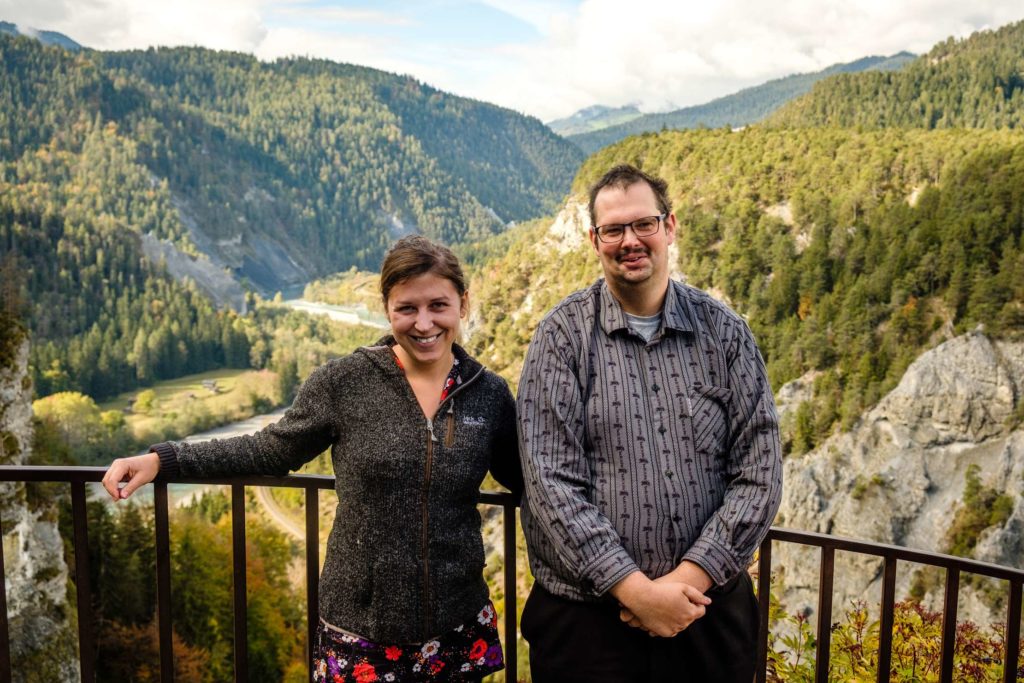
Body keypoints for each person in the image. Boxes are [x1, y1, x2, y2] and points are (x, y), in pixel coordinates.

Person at [103, 235, 522, 683]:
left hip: (456, 626)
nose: (424, 324)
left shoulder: (489, 393)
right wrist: (164, 461)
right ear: (387, 308)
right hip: (360, 630)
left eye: (438, 305)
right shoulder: (344, 382)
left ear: (462, 302)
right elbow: (269, 447)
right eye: (407, 308)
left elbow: (529, 478)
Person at [516, 164, 783, 682]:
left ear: (669, 226)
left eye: (644, 224)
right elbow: (550, 483)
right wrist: (635, 590)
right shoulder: (561, 338)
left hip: (707, 616)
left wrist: (690, 579)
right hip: (588, 626)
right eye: (613, 229)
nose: (630, 241)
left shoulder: (725, 334)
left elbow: (760, 471)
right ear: (595, 240)